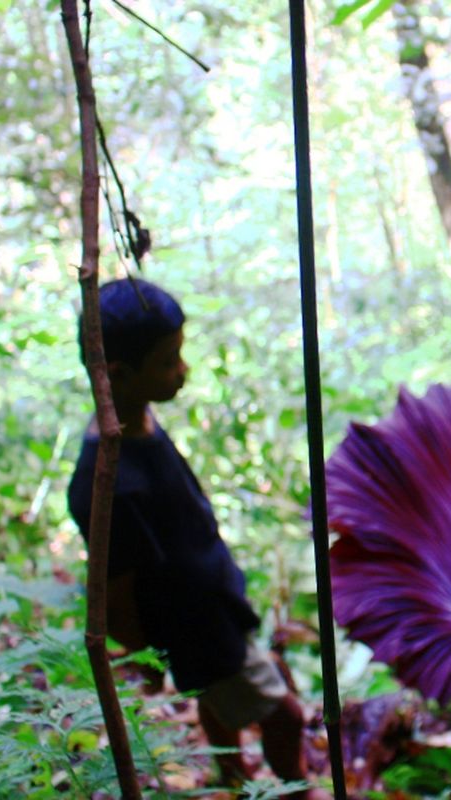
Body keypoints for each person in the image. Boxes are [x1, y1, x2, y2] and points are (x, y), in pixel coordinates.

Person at [67, 279, 326, 798]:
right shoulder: (110, 483)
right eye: (169, 360)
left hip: (214, 610)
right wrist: (143, 656)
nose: (182, 370)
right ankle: (297, 788)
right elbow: (117, 585)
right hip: (199, 630)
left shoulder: (137, 421)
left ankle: (231, 779)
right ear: (117, 375)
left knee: (216, 699)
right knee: (284, 714)